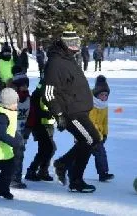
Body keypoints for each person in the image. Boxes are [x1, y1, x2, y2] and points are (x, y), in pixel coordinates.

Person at [43, 38, 100, 193]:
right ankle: (74, 178)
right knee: (90, 139)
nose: (77, 47)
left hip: (79, 110)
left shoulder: (69, 60)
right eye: (74, 44)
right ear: (66, 45)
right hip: (70, 112)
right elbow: (48, 93)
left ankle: (66, 167)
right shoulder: (55, 63)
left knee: (90, 140)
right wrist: (59, 114)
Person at [24, 80, 56, 182]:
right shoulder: (41, 88)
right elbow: (34, 106)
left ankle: (42, 171)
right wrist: (45, 113)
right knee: (48, 148)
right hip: (39, 124)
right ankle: (33, 170)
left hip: (49, 123)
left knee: (48, 148)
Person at [89, 75, 114, 182]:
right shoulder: (90, 103)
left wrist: (105, 134)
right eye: (101, 95)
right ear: (96, 94)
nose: (104, 97)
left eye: (106, 95)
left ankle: (103, 173)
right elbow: (90, 121)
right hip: (87, 134)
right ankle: (68, 169)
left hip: (98, 136)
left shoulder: (104, 105)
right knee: (80, 154)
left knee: (101, 153)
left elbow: (105, 121)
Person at [10, 70, 30, 189]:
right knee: (15, 154)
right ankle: (13, 178)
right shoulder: (10, 97)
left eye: (26, 85)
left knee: (19, 154)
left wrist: (29, 128)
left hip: (22, 130)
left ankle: (15, 177)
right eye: (22, 85)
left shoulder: (28, 97)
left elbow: (31, 114)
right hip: (11, 130)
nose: (25, 87)